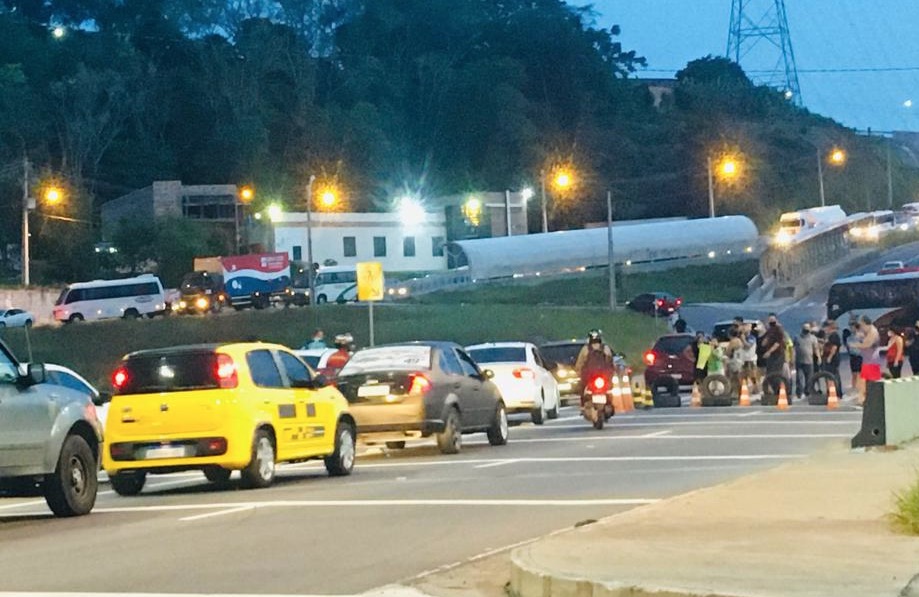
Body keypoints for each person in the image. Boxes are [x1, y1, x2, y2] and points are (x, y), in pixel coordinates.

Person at [848, 315, 882, 405]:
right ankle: (863, 399)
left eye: (861, 325)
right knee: (863, 381)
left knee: (869, 382)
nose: (861, 327)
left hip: (872, 361)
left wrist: (855, 345)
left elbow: (867, 345)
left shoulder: (872, 332)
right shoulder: (868, 332)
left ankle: (867, 399)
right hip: (868, 360)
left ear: (864, 323)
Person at [574, 329, 615, 401]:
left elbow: (579, 364)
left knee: (583, 389)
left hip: (591, 377)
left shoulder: (585, 349)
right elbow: (611, 363)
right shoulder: (606, 348)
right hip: (601, 377)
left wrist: (578, 372)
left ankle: (583, 403)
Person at [761, 313, 787, 397]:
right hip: (771, 356)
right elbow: (765, 341)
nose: (771, 321)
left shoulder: (779, 329)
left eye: (773, 320)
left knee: (776, 373)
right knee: (769, 374)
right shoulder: (769, 330)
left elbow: (778, 343)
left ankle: (780, 391)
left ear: (776, 320)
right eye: (770, 320)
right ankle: (775, 391)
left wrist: (769, 352)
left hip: (778, 355)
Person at [794, 323, 821, 400]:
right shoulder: (797, 337)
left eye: (807, 329)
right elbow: (794, 348)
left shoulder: (813, 338)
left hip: (809, 361)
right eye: (805, 329)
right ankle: (799, 393)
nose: (806, 330)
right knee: (799, 378)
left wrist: (818, 357)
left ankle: (808, 392)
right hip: (799, 361)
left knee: (809, 378)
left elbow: (816, 348)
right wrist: (792, 358)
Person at [842, 316, 862, 396]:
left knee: (859, 373)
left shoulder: (861, 335)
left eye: (852, 327)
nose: (851, 328)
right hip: (853, 356)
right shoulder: (849, 337)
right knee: (854, 373)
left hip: (860, 356)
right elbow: (848, 345)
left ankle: (860, 387)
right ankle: (854, 387)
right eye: (850, 327)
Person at [821, 320, 842, 391]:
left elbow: (834, 347)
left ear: (829, 327)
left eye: (826, 327)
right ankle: (832, 390)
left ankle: (836, 391)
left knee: (832, 375)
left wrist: (830, 357)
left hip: (832, 358)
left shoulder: (834, 336)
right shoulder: (829, 336)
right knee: (830, 375)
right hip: (829, 357)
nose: (825, 329)